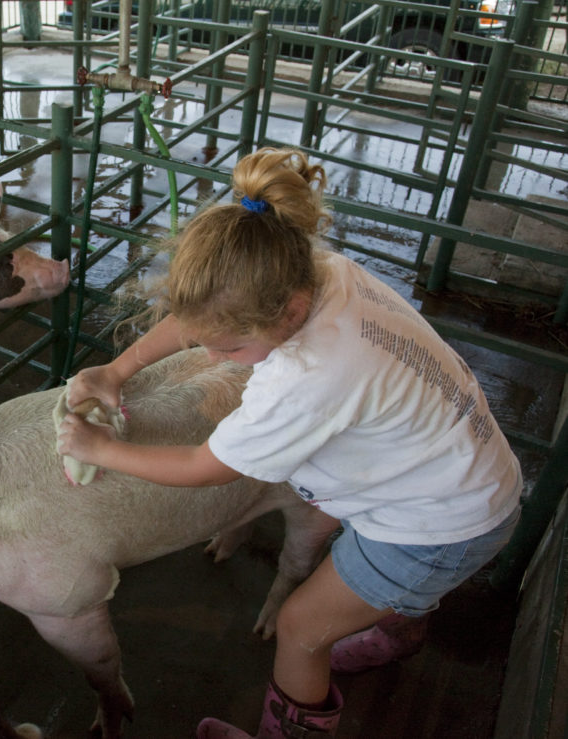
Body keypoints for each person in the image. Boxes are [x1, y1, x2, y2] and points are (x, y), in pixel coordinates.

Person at [55, 147, 522, 738]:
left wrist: (102, 450)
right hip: (457, 471)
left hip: (437, 522)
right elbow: (207, 317)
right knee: (364, 585)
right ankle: (397, 627)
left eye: (229, 351)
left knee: (301, 628)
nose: (213, 358)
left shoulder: (307, 376)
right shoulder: (313, 271)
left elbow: (209, 464)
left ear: (288, 312)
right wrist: (117, 371)